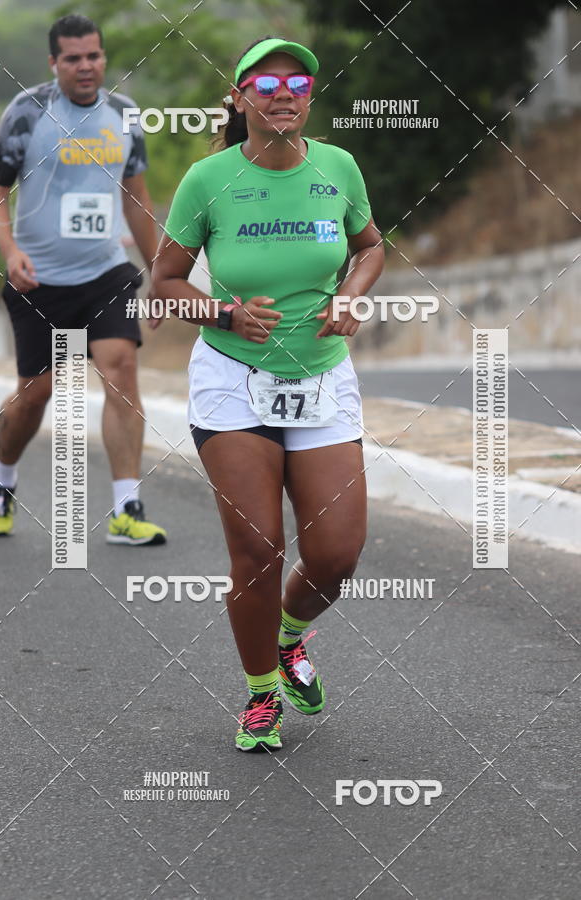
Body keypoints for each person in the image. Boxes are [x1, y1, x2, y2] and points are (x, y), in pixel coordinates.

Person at [151, 36, 384, 750]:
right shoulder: (207, 180)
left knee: (338, 555)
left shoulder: (338, 167)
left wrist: (351, 295)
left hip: (320, 377)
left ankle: (288, 637)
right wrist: (223, 312)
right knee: (258, 551)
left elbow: (371, 246)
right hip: (232, 380)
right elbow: (161, 285)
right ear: (242, 95)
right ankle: (260, 695)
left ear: (310, 96)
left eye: (298, 81)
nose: (284, 92)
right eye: (267, 81)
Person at [0, 14, 166, 545]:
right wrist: (10, 251)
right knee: (36, 395)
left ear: (103, 58)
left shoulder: (125, 115)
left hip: (105, 272)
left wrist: (160, 273)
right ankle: (3, 479)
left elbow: (136, 196)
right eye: (73, 58)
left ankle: (126, 507)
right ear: (54, 63)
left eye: (94, 56)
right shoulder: (27, 112)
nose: (86, 67)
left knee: (122, 367)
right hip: (38, 279)